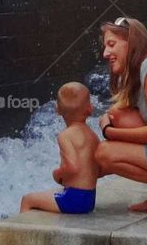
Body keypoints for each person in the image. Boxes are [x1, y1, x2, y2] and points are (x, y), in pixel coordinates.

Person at [93, 17, 147, 220]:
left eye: (112, 44)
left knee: (104, 153)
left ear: (131, 42)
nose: (105, 53)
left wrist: (110, 132)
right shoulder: (143, 70)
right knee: (118, 115)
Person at [20, 82, 100, 214]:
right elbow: (99, 166)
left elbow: (72, 167)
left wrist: (57, 174)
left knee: (28, 200)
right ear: (89, 109)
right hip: (89, 199)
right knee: (53, 193)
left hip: (73, 201)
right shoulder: (92, 135)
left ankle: (21, 231)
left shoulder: (65, 136)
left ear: (57, 109)